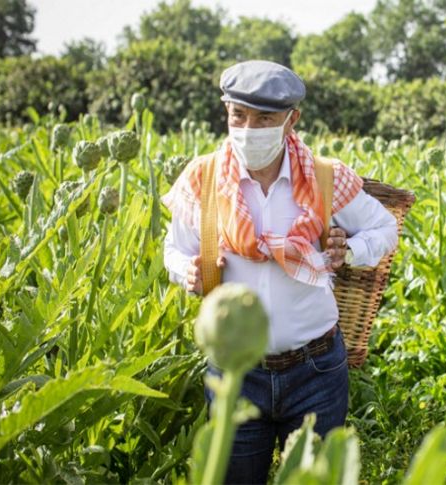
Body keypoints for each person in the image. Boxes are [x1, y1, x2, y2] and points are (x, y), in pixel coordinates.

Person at [161, 60, 398, 484]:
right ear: (226, 112)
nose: (249, 129)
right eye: (239, 116)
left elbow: (384, 227)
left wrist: (352, 251)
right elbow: (174, 250)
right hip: (236, 374)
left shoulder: (325, 179)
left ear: (292, 120)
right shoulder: (204, 178)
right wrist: (187, 271)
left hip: (317, 372)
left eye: (264, 118)